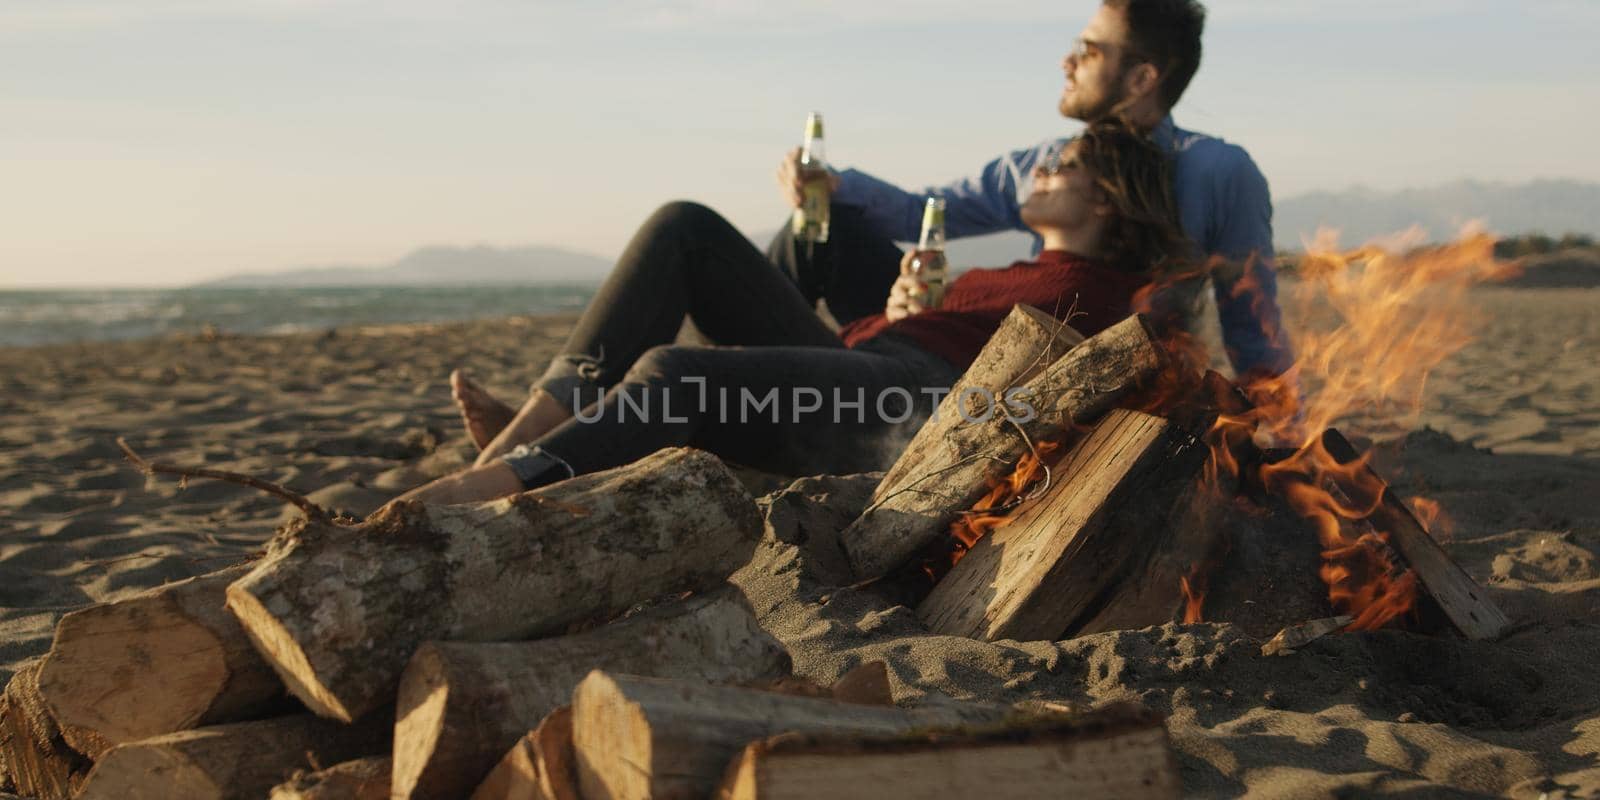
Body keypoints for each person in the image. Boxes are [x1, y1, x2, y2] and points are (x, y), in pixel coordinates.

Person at [396, 120, 1188, 506]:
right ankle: (537, 427)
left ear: (1110, 196)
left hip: (911, 408)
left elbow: (1051, 395)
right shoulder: (1021, 269)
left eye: (1065, 163)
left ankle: (489, 489)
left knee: (674, 375)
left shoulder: (1117, 299)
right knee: (685, 227)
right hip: (873, 368)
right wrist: (904, 309)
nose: (1041, 165)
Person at [770, 0, 1293, 382]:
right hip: (998, 338)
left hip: (1093, 385)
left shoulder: (1217, 171)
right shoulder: (1046, 165)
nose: (1066, 64)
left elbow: (1253, 319)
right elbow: (926, 214)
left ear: (1141, 79)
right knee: (821, 231)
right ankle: (774, 391)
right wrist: (831, 185)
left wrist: (1280, 445)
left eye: (1087, 52)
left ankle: (777, 393)